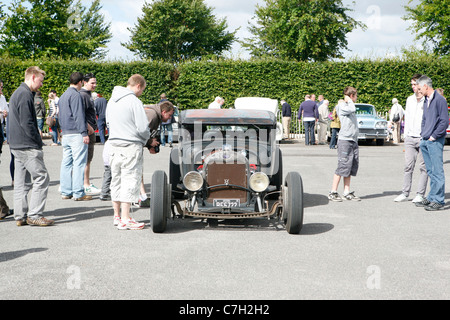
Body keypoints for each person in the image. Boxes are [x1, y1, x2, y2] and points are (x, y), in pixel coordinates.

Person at [8, 66, 53, 226]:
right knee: (42, 177)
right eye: (40, 81)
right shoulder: (25, 94)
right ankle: (34, 214)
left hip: (17, 144)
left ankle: (20, 216)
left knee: (22, 182)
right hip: (27, 145)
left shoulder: (18, 93)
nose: (41, 84)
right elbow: (27, 123)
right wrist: (38, 141)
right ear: (33, 77)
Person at [106, 74, 152, 230]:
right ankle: (126, 218)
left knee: (116, 180)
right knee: (130, 179)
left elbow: (108, 122)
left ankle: (117, 216)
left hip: (113, 144)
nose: (141, 93)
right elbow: (142, 127)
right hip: (130, 145)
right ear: (138, 85)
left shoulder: (111, 100)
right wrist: (147, 139)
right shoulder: (134, 101)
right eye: (142, 89)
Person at [394, 74, 428, 203]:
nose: (413, 87)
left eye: (415, 84)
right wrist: (406, 134)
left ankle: (420, 194)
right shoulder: (409, 99)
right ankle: (405, 192)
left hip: (422, 137)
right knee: (408, 166)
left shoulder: (427, 99)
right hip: (410, 137)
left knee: (423, 167)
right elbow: (407, 117)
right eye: (412, 85)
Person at [415, 75, 448, 211]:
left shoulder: (440, 100)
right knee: (430, 171)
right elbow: (425, 119)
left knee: (437, 171)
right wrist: (424, 135)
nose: (418, 91)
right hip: (425, 140)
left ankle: (439, 200)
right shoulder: (426, 100)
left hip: (434, 141)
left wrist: (433, 137)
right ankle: (431, 197)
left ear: (425, 86)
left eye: (419, 88)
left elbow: (444, 121)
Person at [59, 72, 92, 201]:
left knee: (66, 162)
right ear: (80, 82)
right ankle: (78, 192)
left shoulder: (63, 96)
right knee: (79, 163)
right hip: (76, 133)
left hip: (66, 133)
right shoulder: (76, 95)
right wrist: (84, 133)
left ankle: (66, 191)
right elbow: (79, 115)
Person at [328, 86, 361, 202]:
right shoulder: (343, 105)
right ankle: (333, 192)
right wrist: (348, 100)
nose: (356, 98)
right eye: (355, 96)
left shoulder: (347, 105)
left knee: (350, 166)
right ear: (351, 96)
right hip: (345, 140)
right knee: (342, 166)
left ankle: (346, 192)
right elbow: (352, 109)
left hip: (352, 140)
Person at [79, 73, 100, 196]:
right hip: (88, 131)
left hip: (89, 130)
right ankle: (86, 184)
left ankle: (85, 183)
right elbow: (79, 113)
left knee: (87, 159)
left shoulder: (87, 95)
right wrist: (88, 126)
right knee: (86, 160)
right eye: (92, 83)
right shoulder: (83, 95)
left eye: (95, 82)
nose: (94, 85)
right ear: (84, 82)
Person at [0, 79, 8, 153]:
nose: (1, 88)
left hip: (1, 123)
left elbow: (6, 109)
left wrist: (5, 113)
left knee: (1, 139)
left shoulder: (2, 97)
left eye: (2, 87)